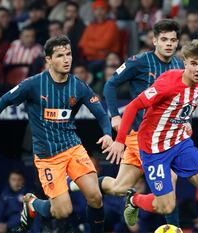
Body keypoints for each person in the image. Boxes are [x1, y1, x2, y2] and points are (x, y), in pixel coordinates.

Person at [0, 35, 113, 232]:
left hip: (73, 148)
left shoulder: (78, 85)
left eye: (68, 54)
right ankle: (33, 204)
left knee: (95, 196)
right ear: (49, 60)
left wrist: (107, 134)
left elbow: (102, 114)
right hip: (48, 157)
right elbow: (3, 101)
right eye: (60, 55)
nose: (66, 59)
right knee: (63, 211)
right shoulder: (33, 85)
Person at [105, 40, 198, 233]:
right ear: (185, 62)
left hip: (180, 143)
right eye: (193, 63)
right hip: (153, 149)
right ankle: (134, 199)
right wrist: (119, 141)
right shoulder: (168, 82)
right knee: (166, 206)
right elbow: (134, 106)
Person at [70, 19, 184, 227]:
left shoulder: (179, 65)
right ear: (154, 40)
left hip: (164, 138)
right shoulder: (139, 61)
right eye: (164, 40)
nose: (169, 44)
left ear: (178, 43)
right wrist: (114, 116)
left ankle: (81, 183)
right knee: (171, 180)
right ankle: (174, 229)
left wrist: (186, 120)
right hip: (142, 136)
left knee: (119, 188)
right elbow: (110, 85)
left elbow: (183, 97)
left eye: (173, 40)